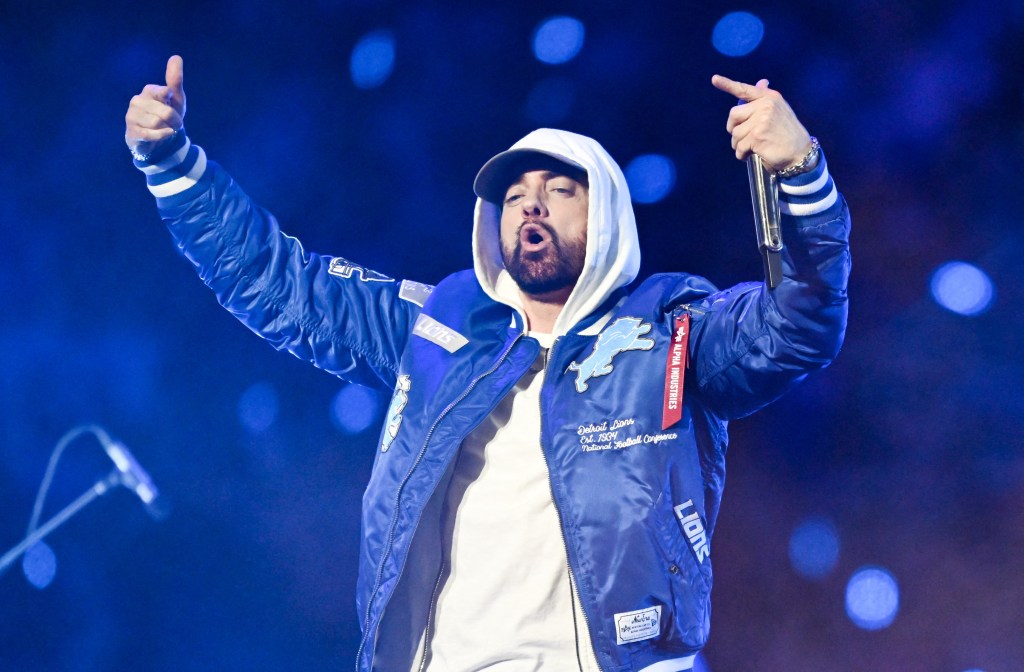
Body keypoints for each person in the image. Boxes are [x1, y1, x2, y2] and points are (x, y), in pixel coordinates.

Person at [126, 55, 850, 672]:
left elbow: (799, 324)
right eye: (514, 197)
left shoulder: (670, 327)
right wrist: (174, 166)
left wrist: (800, 173)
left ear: (608, 217)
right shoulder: (441, 325)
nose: (531, 207)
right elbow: (285, 287)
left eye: (559, 192)